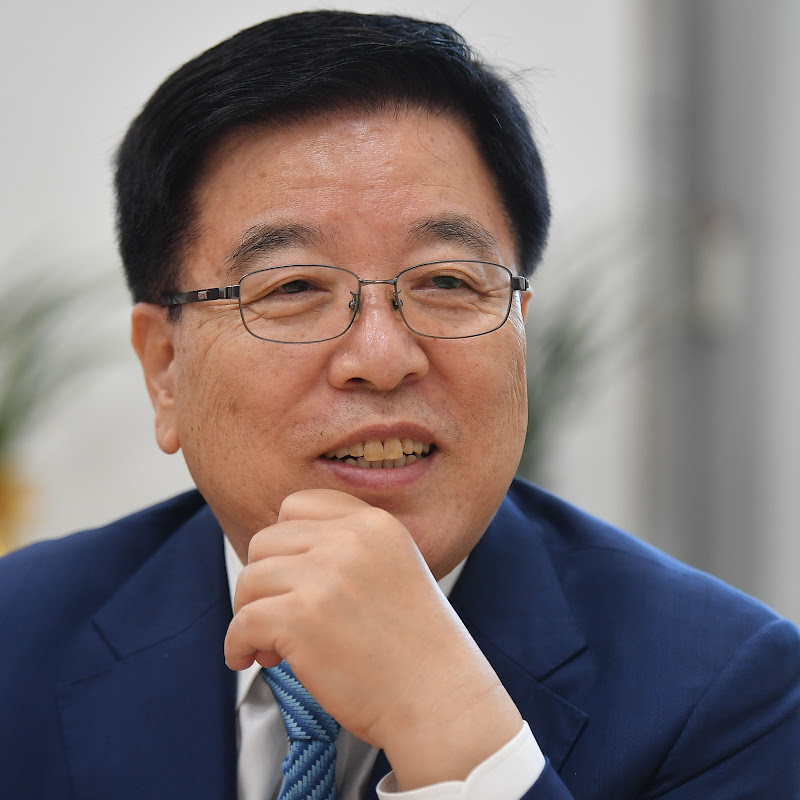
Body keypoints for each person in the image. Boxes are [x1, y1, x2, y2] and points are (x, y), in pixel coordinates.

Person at [1, 10, 798, 800]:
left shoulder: (729, 693)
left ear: (519, 325)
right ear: (165, 368)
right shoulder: (17, 639)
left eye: (447, 281)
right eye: (293, 287)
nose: (382, 359)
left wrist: (453, 731)